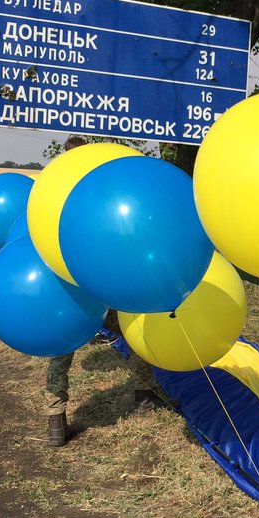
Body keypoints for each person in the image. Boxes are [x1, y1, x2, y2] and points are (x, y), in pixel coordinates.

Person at [44, 136, 167, 447]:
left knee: (62, 351)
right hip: (102, 281)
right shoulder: (101, 188)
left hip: (68, 289)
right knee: (134, 329)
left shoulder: (50, 190)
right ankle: (144, 395)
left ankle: (55, 421)